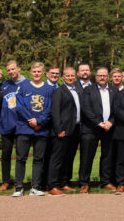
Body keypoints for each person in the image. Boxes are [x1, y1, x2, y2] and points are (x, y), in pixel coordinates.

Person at [13, 62, 55, 197]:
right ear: (31, 72)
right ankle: (19, 187)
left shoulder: (49, 89)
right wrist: (30, 120)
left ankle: (35, 187)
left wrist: (40, 121)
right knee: (21, 158)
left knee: (38, 158)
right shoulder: (22, 86)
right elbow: (17, 105)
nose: (36, 74)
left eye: (39, 71)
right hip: (24, 127)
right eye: (34, 71)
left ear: (43, 73)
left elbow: (50, 109)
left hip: (41, 129)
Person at [79, 67, 116, 192]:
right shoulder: (88, 90)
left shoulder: (114, 90)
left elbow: (119, 109)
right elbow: (86, 109)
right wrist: (99, 123)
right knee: (87, 157)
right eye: (100, 75)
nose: (102, 77)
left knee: (107, 156)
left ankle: (105, 181)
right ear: (96, 77)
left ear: (108, 77)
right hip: (91, 128)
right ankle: (84, 183)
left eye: (104, 75)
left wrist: (111, 122)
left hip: (109, 128)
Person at [48, 67, 81, 195]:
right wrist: (59, 129)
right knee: (57, 158)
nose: (70, 78)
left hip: (74, 129)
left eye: (72, 76)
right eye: (68, 76)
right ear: (63, 77)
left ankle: (63, 183)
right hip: (62, 130)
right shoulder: (59, 91)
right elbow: (55, 112)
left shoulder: (76, 90)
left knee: (68, 158)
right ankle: (52, 185)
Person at [0, 60, 27, 191]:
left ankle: (19, 182)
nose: (11, 72)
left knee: (20, 155)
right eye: (8, 70)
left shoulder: (28, 84)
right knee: (6, 154)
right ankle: (6, 181)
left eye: (13, 69)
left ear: (19, 68)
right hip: (6, 125)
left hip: (22, 125)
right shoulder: (5, 84)